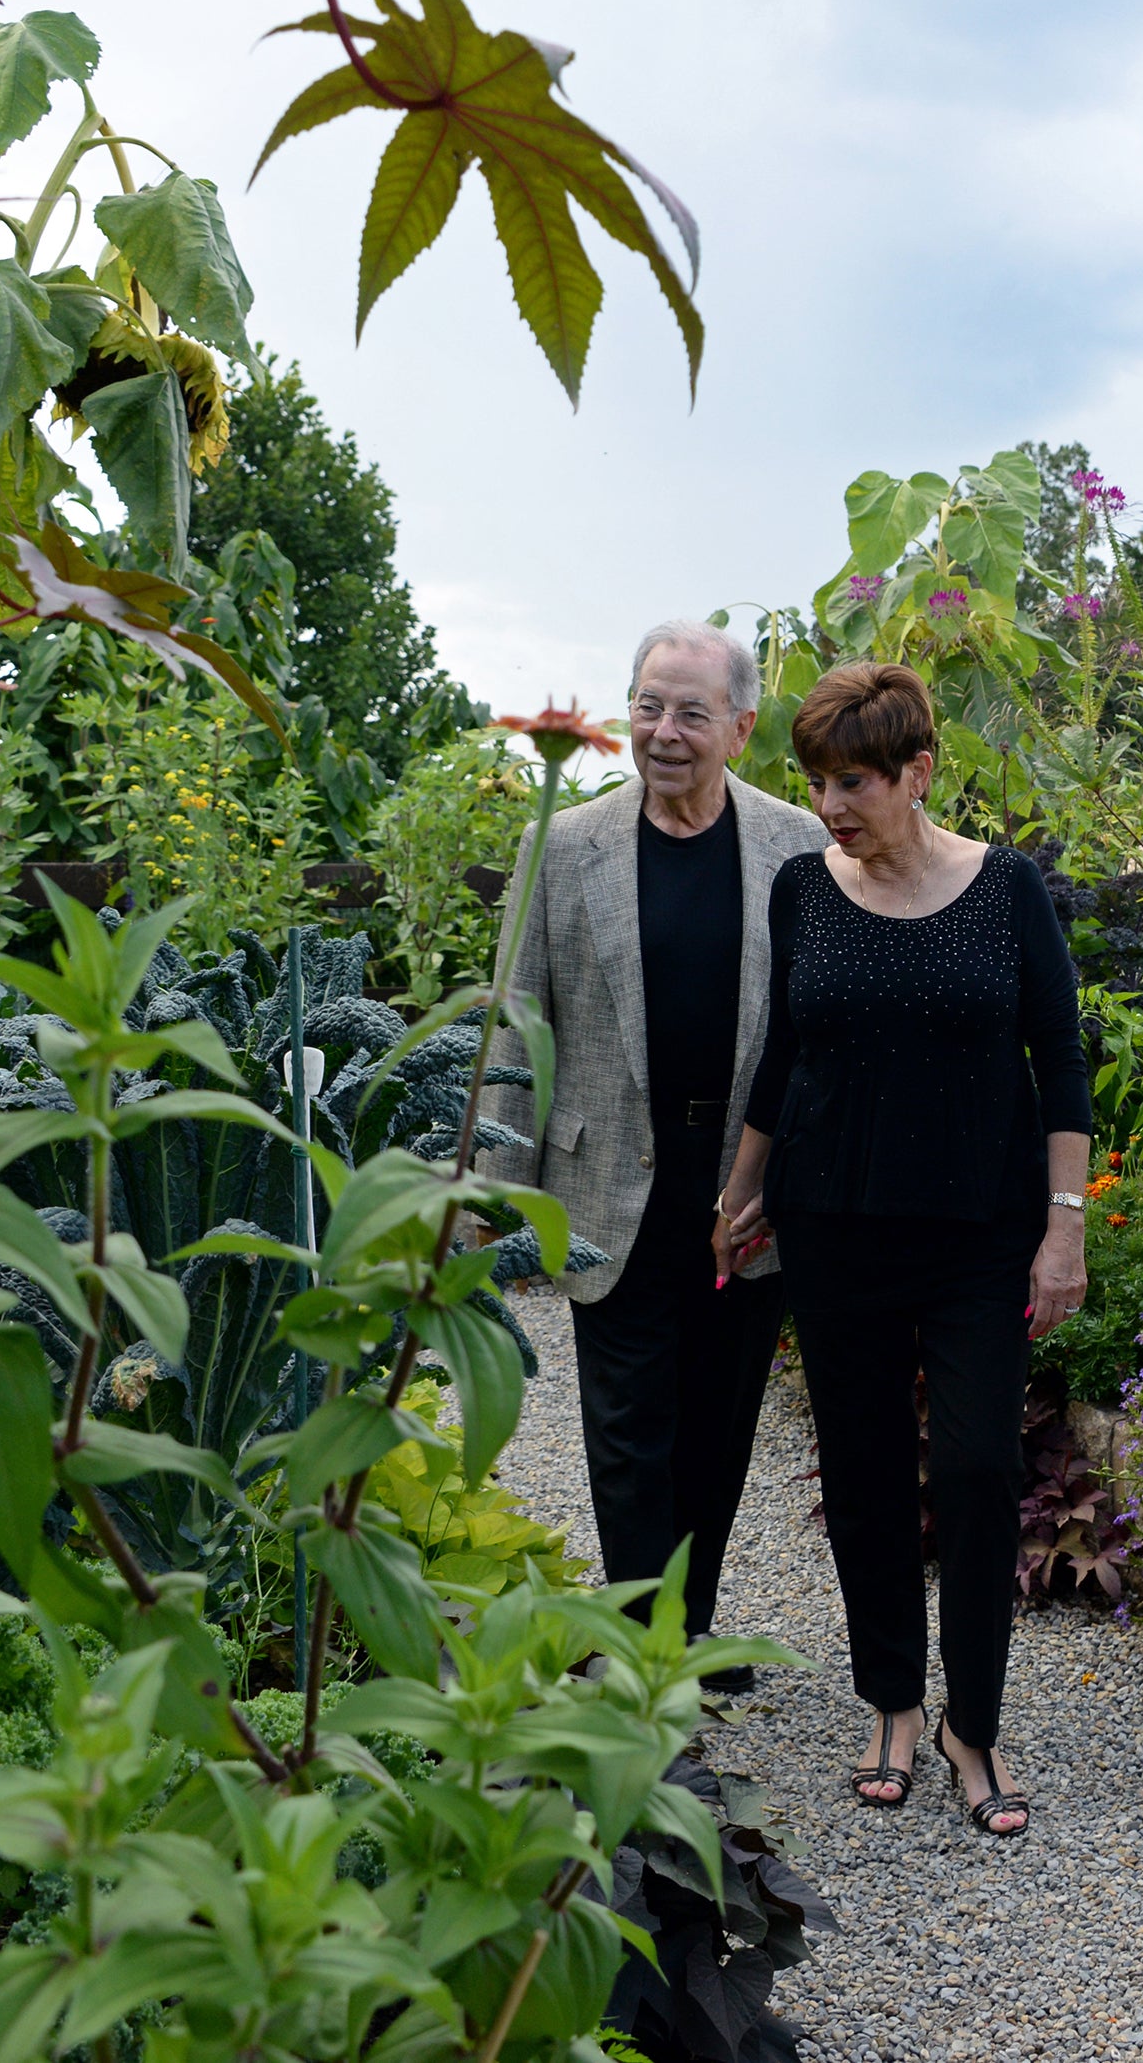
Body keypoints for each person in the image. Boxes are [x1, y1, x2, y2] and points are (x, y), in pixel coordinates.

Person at [712, 661, 1090, 1839]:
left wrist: (1064, 1229)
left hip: (982, 1232)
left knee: (976, 1470)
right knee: (863, 1470)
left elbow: (1062, 1060)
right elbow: (783, 1054)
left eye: (856, 782)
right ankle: (892, 1702)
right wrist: (743, 1189)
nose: (831, 807)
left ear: (918, 772)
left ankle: (975, 1722)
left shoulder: (1007, 887)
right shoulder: (801, 889)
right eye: (818, 782)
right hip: (835, 1226)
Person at [488, 620, 822, 1690]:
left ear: (741, 726)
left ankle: (686, 1626)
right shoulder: (563, 843)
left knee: (718, 1429)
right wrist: (498, 1198)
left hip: (744, 1184)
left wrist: (798, 1177)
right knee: (630, 1432)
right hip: (606, 1179)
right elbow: (515, 1022)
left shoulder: (797, 845)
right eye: (647, 706)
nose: (664, 732)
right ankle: (644, 1653)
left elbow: (815, 1026)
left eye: (689, 712)